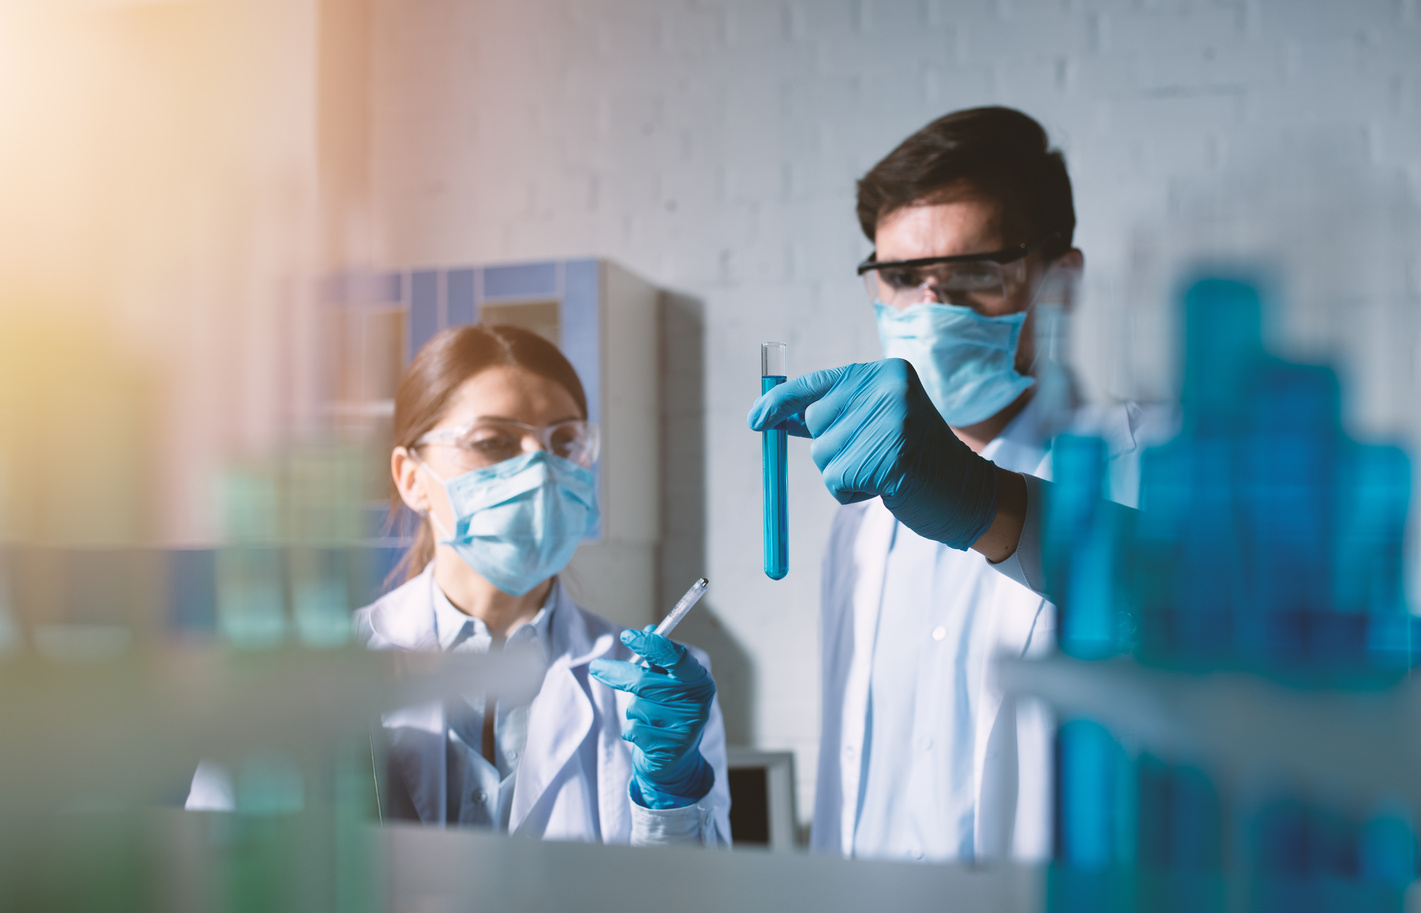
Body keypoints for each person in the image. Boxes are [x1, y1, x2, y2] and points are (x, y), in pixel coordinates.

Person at [750, 108, 1156, 864]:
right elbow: (854, 778)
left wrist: (986, 502)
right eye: (902, 278)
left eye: (976, 273)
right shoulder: (858, 522)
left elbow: (1192, 622)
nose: (931, 310)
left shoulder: (1147, 462)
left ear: (1059, 281)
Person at [194, 324, 731, 847]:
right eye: (493, 441)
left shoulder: (658, 690)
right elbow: (211, 872)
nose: (540, 468)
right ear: (411, 478)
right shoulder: (307, 665)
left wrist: (672, 799)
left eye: (564, 441)